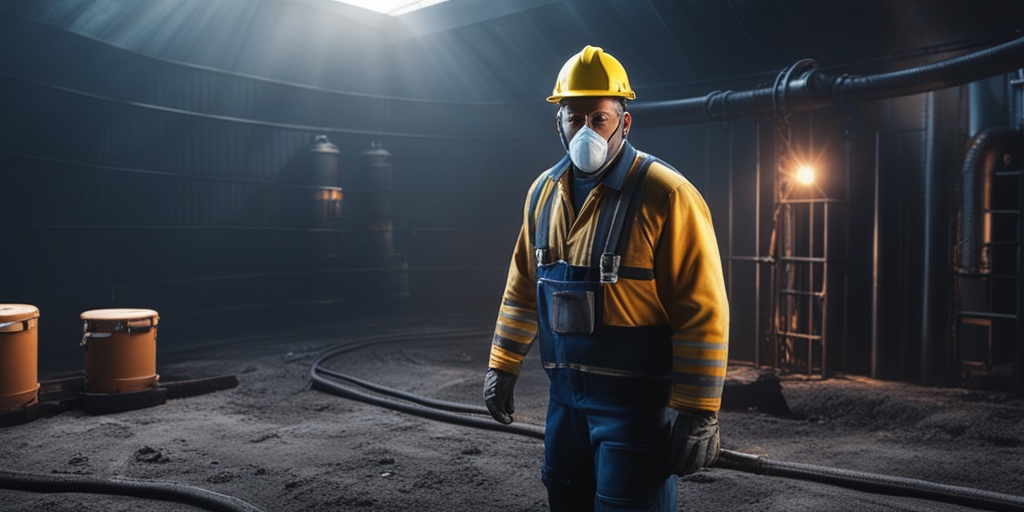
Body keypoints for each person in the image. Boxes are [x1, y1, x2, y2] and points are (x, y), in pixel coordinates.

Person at [482, 45, 730, 511]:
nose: (585, 131)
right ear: (558, 122)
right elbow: (520, 290)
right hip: (564, 405)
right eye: (574, 119)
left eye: (599, 118)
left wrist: (699, 411)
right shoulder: (542, 194)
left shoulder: (667, 194)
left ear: (624, 122)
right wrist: (502, 365)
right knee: (566, 498)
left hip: (634, 411)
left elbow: (702, 309)